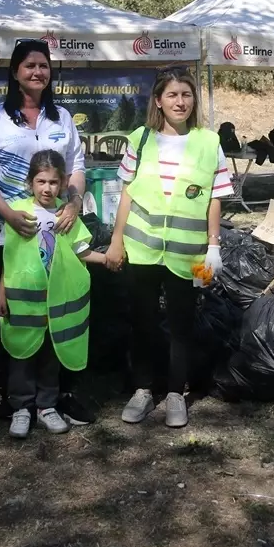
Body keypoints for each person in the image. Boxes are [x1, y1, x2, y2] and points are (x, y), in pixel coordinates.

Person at [0, 39, 93, 425]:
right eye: (29, 66)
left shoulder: (63, 118)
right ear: (14, 72)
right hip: (7, 232)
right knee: (16, 313)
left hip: (57, 233)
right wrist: (5, 212)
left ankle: (57, 397)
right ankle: (17, 399)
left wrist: (73, 203)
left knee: (59, 312)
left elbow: (76, 168)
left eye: (43, 65)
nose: (37, 72)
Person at [106, 66, 232, 429]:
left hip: (190, 254)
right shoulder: (139, 140)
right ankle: (144, 389)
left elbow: (214, 199)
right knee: (142, 322)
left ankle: (176, 392)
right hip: (142, 250)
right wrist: (117, 241)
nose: (180, 101)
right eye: (172, 95)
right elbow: (126, 193)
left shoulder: (209, 142)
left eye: (187, 94)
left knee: (182, 324)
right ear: (158, 101)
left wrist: (213, 248)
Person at [0, 150, 106, 438]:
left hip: (55, 305)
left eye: (54, 183)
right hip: (23, 304)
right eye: (41, 181)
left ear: (63, 184)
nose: (47, 188)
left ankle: (47, 406)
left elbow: (81, 251)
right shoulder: (17, 211)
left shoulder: (65, 215)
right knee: (21, 353)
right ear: (30, 182)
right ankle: (21, 407)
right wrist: (2, 293)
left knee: (50, 354)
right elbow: (7, 257)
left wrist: (108, 258)